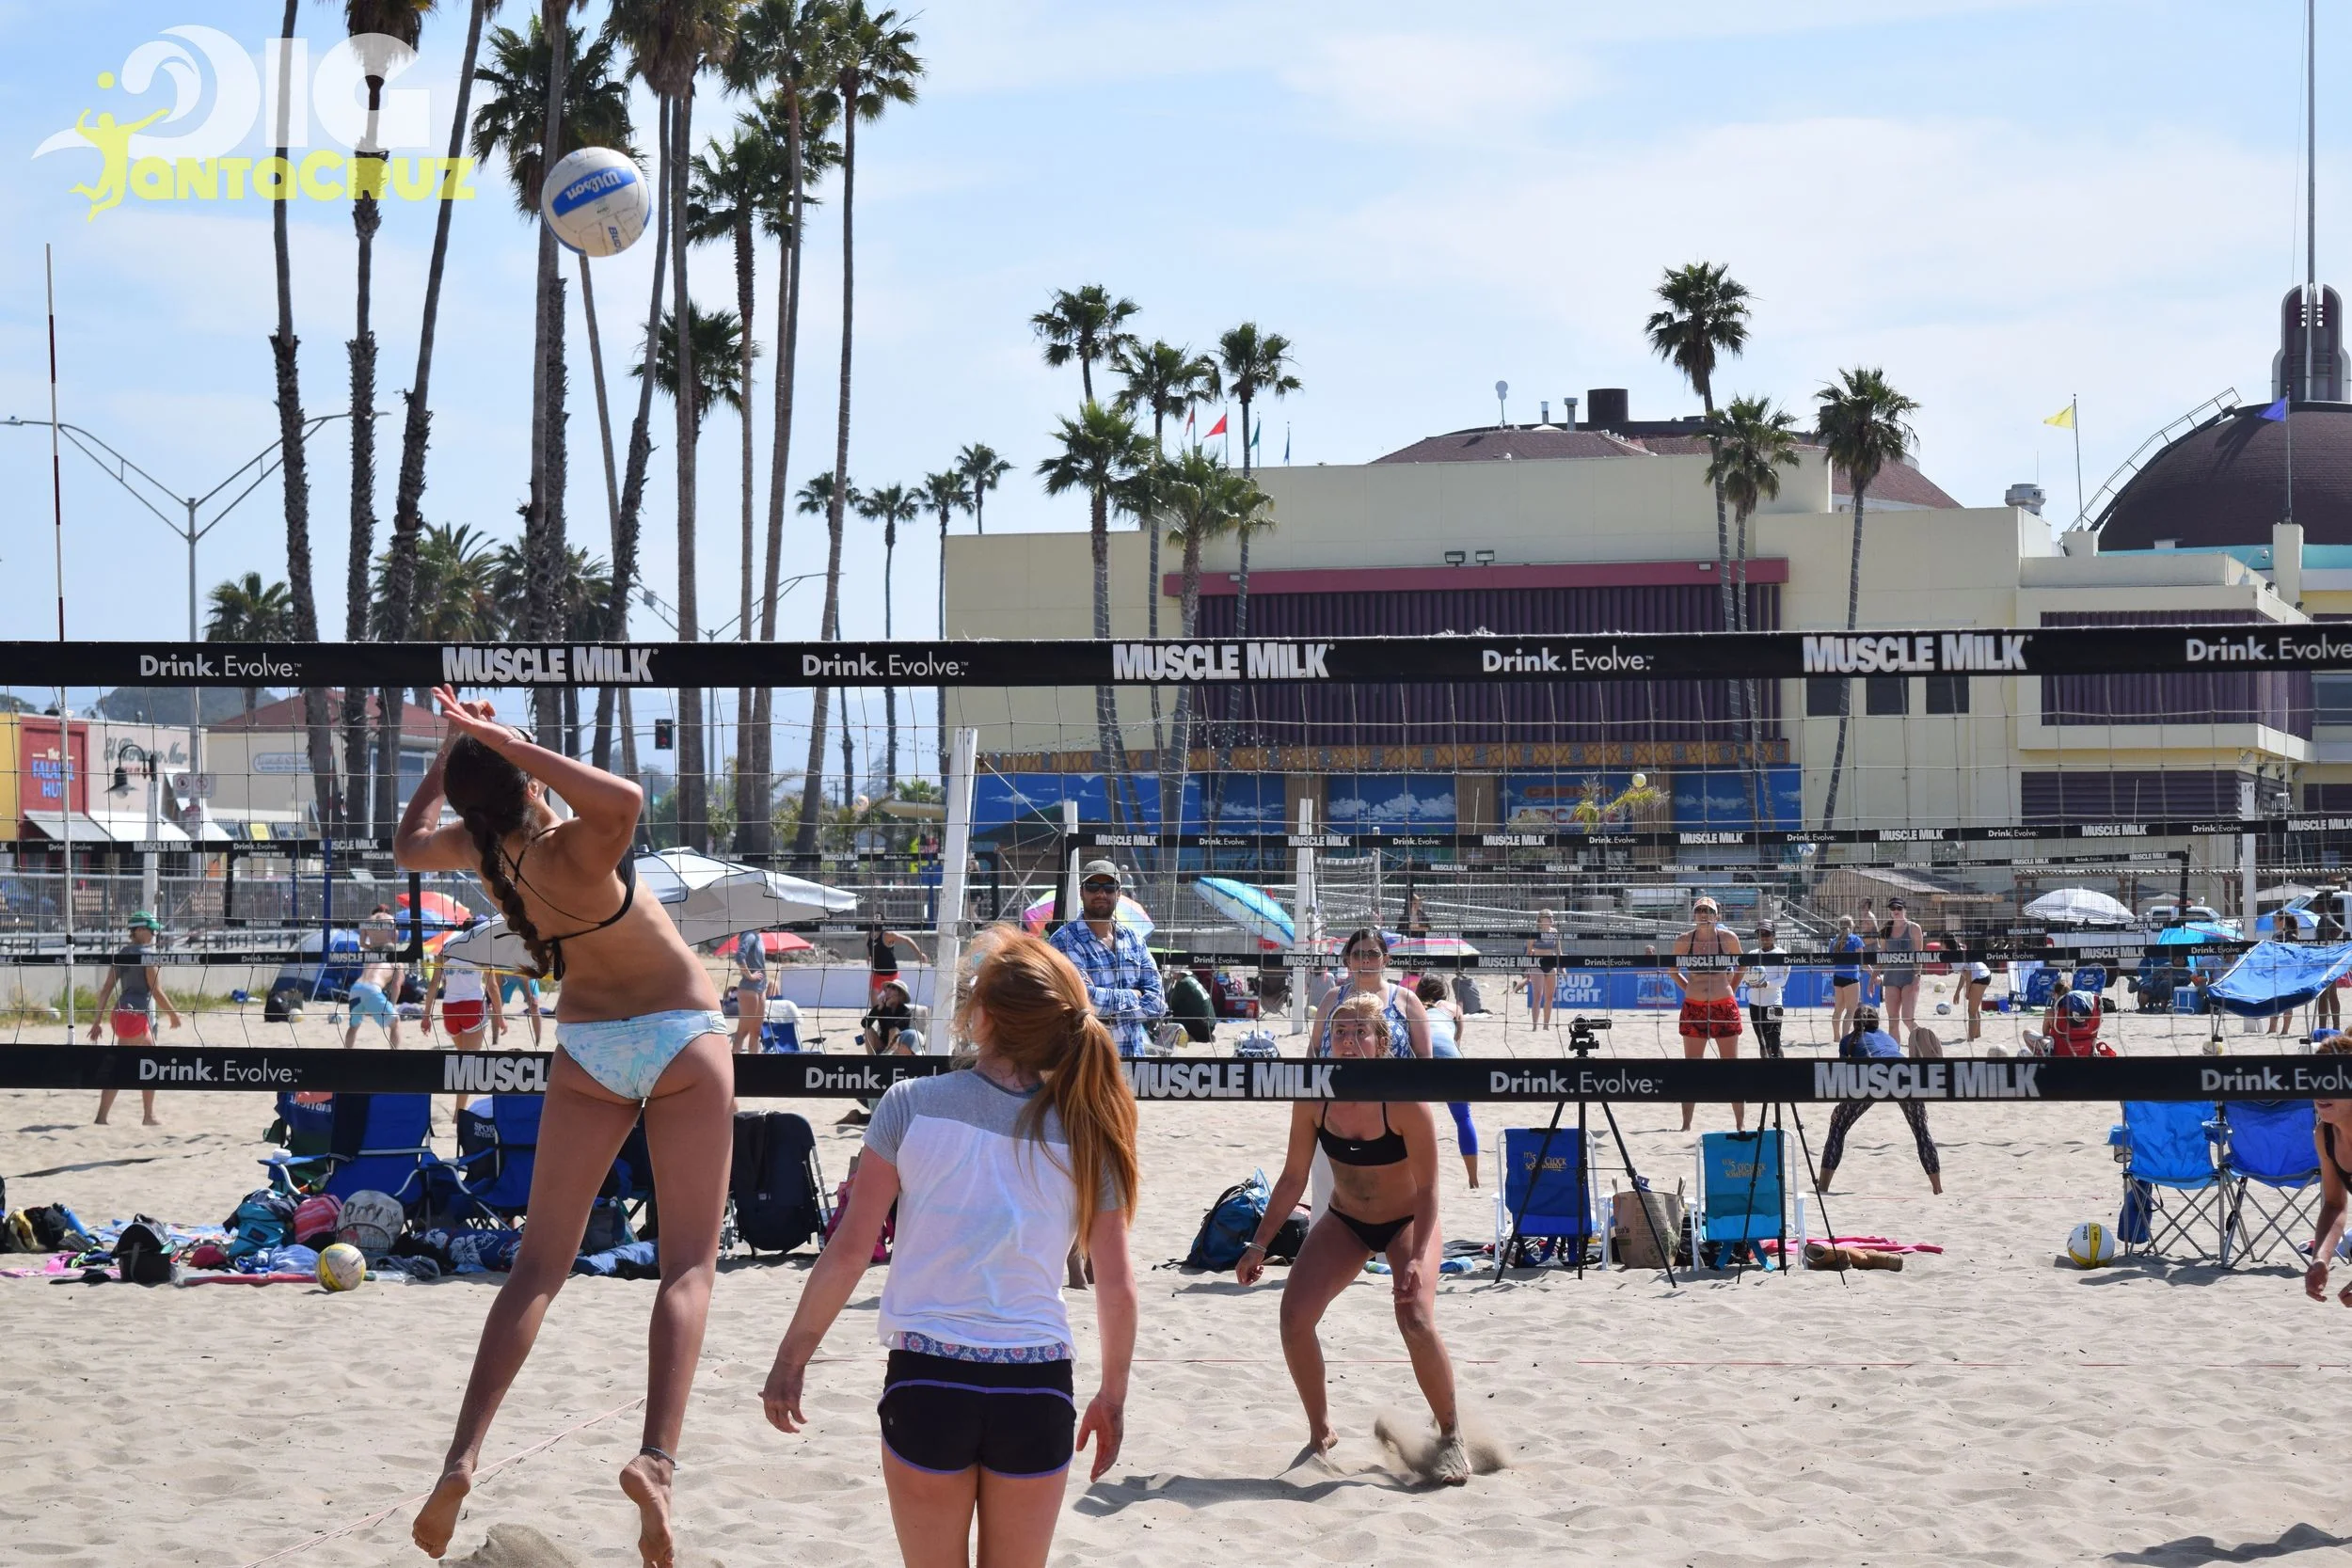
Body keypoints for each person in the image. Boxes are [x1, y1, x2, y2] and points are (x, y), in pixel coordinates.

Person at [397, 689, 734, 1565]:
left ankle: (461, 1456)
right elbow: (623, 796)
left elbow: (404, 845)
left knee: (538, 1267)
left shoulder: (481, 850)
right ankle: (657, 1460)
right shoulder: (577, 843)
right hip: (679, 1036)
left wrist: (450, 758)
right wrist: (502, 740)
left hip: (588, 1048)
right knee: (688, 1264)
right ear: (525, 776)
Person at [761, 931, 1138, 1565]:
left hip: (929, 1380)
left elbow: (850, 1251)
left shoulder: (910, 1104)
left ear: (980, 1016)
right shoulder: (1086, 1131)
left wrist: (792, 1356)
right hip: (1037, 1385)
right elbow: (1118, 1287)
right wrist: (1113, 1395)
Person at [1236, 992, 1470, 1485]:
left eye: (1361, 1031)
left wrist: (1418, 1256)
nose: (1348, 1040)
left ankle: (1451, 1436)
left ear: (1382, 1043)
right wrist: (1258, 1245)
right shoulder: (1314, 1096)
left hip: (1408, 1221)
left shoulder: (1404, 1101)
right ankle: (1321, 1433)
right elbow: (1292, 1178)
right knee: (1294, 1317)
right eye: (1340, 1032)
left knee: (1415, 1317)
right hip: (1346, 1221)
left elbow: (1429, 1191)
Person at [1816, 1005, 1942, 1195]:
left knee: (1838, 1127)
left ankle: (1823, 1187)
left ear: (1854, 1022)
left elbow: (1845, 1081)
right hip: (1903, 1075)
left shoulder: (1847, 1041)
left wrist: (1840, 1108)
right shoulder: (1889, 1038)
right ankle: (1937, 1188)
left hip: (1871, 1077)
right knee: (1921, 1131)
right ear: (1876, 1020)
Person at [1047, 861, 1167, 1060]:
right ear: (1081, 892)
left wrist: (1104, 1017)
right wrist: (1135, 995)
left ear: (1118, 893)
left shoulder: (1134, 940)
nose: (1101, 894)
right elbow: (1084, 1000)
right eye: (1093, 886)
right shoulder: (1063, 940)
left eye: (1109, 887)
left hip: (1133, 1062)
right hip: (1085, 1063)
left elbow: (1158, 1003)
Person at [88, 911, 181, 1127]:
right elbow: (156, 991)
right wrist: (173, 1015)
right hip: (138, 1016)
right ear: (138, 930)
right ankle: (145, 1116)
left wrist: (97, 1021)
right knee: (146, 1066)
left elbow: (106, 989)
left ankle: (105, 1117)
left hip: (121, 1015)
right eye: (151, 930)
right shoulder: (148, 956)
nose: (154, 934)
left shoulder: (122, 953)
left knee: (127, 1065)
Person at [1672, 896, 1745, 1132]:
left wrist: (1729, 990)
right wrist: (1690, 989)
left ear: (1717, 916)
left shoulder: (1728, 938)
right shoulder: (1684, 941)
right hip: (1694, 1007)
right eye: (1699, 910)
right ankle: (1685, 1125)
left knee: (1731, 1068)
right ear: (1694, 915)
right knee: (1692, 1068)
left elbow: (1742, 965)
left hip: (1724, 1007)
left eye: (1708, 910)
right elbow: (1672, 970)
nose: (1704, 914)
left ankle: (1740, 1123)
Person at [1309, 928, 1432, 1062]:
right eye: (1358, 954)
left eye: (1373, 954)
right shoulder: (1332, 997)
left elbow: (1424, 1055)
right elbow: (1314, 1048)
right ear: (1348, 960)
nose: (1366, 960)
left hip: (1394, 1082)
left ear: (1385, 959)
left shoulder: (1406, 999)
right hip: (1336, 1081)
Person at [1414, 974, 1479, 1186]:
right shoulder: (1453, 1009)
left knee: (1406, 1119)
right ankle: (1473, 1178)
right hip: (1451, 1061)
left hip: (1421, 1061)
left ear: (1419, 991)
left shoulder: (1412, 1008)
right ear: (1444, 992)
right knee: (1463, 1118)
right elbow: (1455, 1042)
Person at [2304, 1035, 2352, 1307]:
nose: (2321, 1092)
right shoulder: (2325, 1134)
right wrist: (2321, 1258)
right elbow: (2334, 1204)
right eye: (2314, 1079)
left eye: (2331, 1081)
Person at [342, 909, 406, 1050]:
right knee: (395, 1021)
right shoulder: (395, 958)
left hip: (355, 988)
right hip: (371, 989)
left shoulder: (368, 920)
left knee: (354, 1025)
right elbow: (396, 986)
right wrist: (392, 1006)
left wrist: (372, 946)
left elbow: (362, 942)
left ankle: (346, 1054)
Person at [1871, 896, 1924, 1040]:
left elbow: (1919, 955)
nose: (1896, 911)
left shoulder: (1914, 928)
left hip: (1909, 977)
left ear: (1904, 910)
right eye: (1892, 908)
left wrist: (1917, 977)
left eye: (1899, 908)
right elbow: (1882, 956)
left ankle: (1925, 1042)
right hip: (1891, 978)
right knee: (1893, 1021)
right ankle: (1894, 1054)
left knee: (1907, 1019)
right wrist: (1872, 978)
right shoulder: (1885, 930)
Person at [1740, 922, 1790, 1059]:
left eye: (1767, 933)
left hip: (1774, 1003)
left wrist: (1765, 984)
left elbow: (1782, 981)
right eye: (1760, 934)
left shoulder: (1782, 954)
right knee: (1762, 1043)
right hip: (1755, 1004)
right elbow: (1746, 977)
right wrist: (1748, 980)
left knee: (1775, 1042)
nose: (1763, 937)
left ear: (1773, 935)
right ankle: (1765, 1074)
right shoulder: (1752, 954)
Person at [731, 929, 772, 1054]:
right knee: (743, 1031)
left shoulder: (759, 936)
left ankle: (754, 1064)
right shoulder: (749, 935)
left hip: (761, 988)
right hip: (749, 988)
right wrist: (750, 975)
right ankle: (735, 1061)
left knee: (756, 1031)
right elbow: (739, 957)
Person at [867, 922, 927, 1006]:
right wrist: (869, 955)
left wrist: (919, 953)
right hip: (877, 974)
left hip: (890, 974)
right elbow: (870, 946)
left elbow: (907, 939)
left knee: (891, 1003)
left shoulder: (888, 934)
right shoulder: (869, 934)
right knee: (874, 1004)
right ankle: (879, 1017)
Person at [1524, 909, 1561, 1031]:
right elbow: (1529, 952)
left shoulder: (1554, 932)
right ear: (1541, 920)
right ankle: (1535, 1026)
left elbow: (1559, 952)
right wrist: (1527, 969)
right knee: (1537, 996)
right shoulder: (1534, 933)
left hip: (1550, 965)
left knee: (1550, 997)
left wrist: (1563, 968)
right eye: (1548, 917)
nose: (1551, 920)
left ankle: (1546, 1025)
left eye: (1551, 917)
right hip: (1537, 964)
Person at [1830, 916, 1865, 1041]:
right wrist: (1873, 973)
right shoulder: (1856, 940)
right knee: (1851, 1011)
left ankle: (1836, 1037)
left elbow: (1830, 960)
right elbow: (1862, 961)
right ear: (1852, 926)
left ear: (1839, 926)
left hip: (1837, 977)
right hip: (1851, 978)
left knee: (1838, 1010)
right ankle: (1845, 1037)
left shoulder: (1834, 941)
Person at [1165, 964, 1217, 1044]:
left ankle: (1185, 1035)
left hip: (1202, 1027)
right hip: (1211, 1024)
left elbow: (1172, 1004)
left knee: (1175, 1011)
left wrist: (1172, 985)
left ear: (1176, 973)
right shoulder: (1192, 980)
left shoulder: (1183, 983)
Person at [2317, 903, 2345, 1031]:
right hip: (2326, 957)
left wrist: (2330, 939)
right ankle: (2333, 1026)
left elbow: (2339, 928)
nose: (2314, 908)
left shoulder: (2325, 917)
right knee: (2330, 994)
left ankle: (2326, 1026)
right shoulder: (2325, 917)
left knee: (2326, 994)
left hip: (2326, 958)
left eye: (2316, 905)